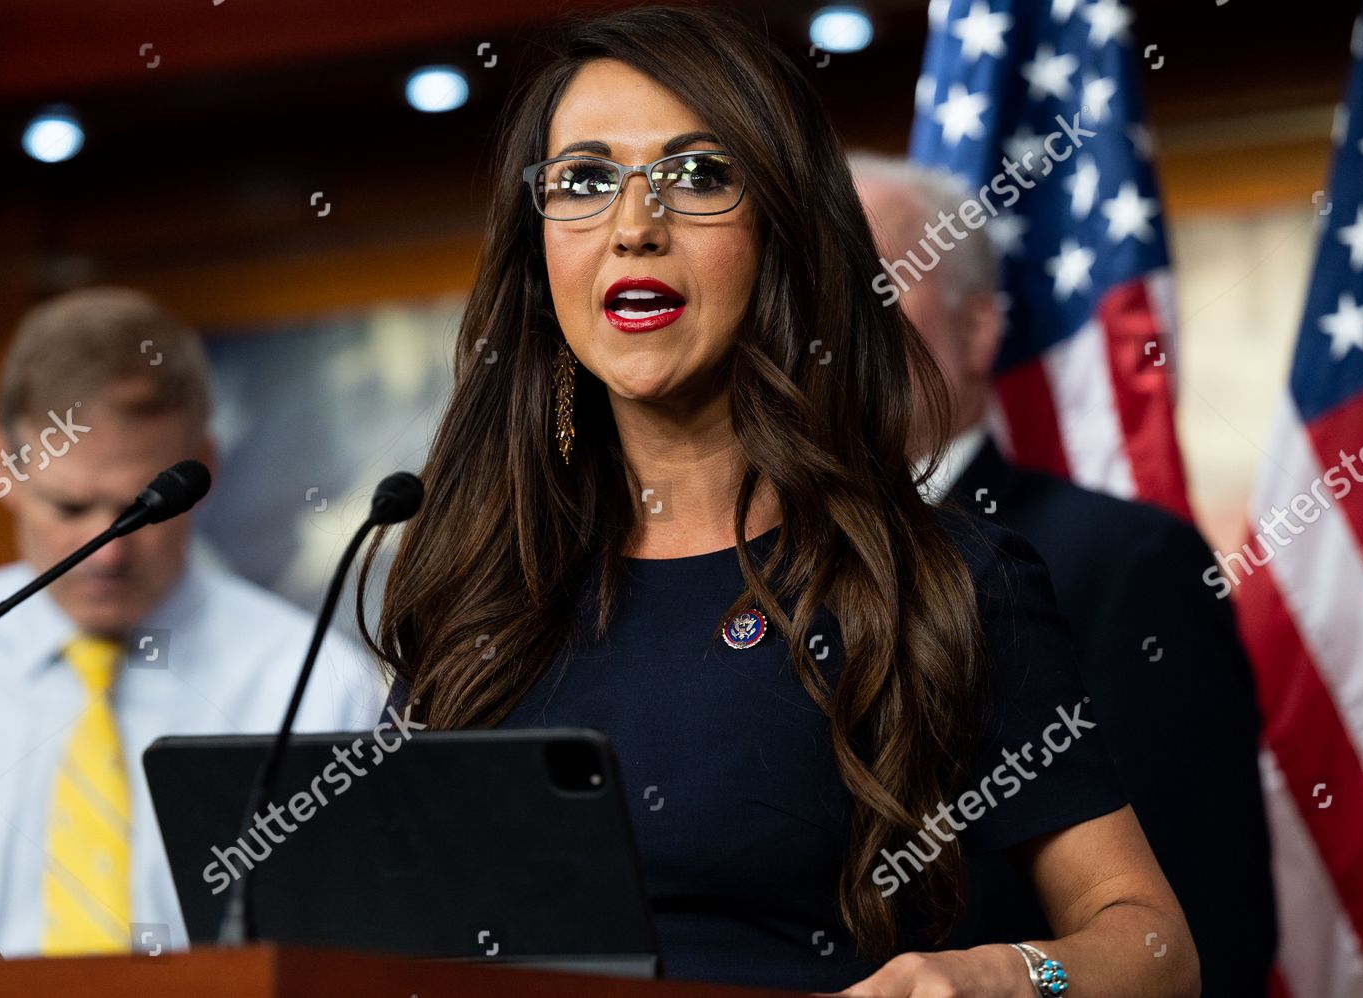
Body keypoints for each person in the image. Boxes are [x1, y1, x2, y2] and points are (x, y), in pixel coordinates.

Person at [362, 8, 1198, 996]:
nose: (635, 224)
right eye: (584, 180)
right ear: (539, 257)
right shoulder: (475, 587)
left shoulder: (938, 581)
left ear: (784, 230)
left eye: (699, 175)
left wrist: (1009, 977)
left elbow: (1157, 947)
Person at [851, 156, 1276, 995]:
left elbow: (1203, 926)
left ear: (977, 330)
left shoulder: (1124, 562)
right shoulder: (752, 562)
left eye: (870, 285)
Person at [0, 288, 381, 957]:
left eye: (143, 507)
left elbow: (353, 952)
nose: (109, 549)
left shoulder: (315, 682)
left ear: (205, 469)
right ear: (0, 469)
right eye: (70, 507)